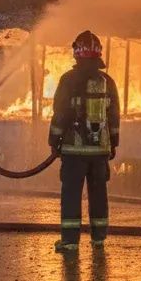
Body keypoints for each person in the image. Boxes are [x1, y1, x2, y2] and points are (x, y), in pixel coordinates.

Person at [49, 31, 121, 253]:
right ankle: (99, 238)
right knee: (99, 192)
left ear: (77, 54)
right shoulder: (107, 82)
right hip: (100, 150)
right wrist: (113, 143)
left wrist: (54, 139)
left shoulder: (68, 80)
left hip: (73, 149)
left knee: (71, 193)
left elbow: (60, 112)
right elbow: (114, 116)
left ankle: (70, 241)